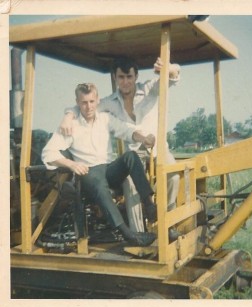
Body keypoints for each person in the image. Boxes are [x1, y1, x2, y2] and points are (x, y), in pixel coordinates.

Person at [60, 57, 180, 239]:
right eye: (121, 77)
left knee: (173, 174)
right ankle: (139, 234)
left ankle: (167, 223)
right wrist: (68, 116)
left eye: (129, 77)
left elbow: (173, 76)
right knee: (129, 183)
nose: (125, 82)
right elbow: (85, 106)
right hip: (132, 153)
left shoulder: (150, 89)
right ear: (115, 78)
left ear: (136, 76)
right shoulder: (109, 102)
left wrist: (169, 68)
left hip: (157, 147)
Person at [42, 83, 157, 247]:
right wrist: (71, 164)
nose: (88, 107)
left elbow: (126, 130)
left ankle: (149, 204)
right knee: (96, 181)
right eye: (83, 102)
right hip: (88, 173)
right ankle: (128, 234)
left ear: (97, 101)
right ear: (77, 102)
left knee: (130, 156)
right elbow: (48, 153)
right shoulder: (70, 126)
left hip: (108, 170)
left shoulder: (105, 119)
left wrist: (143, 138)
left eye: (91, 101)